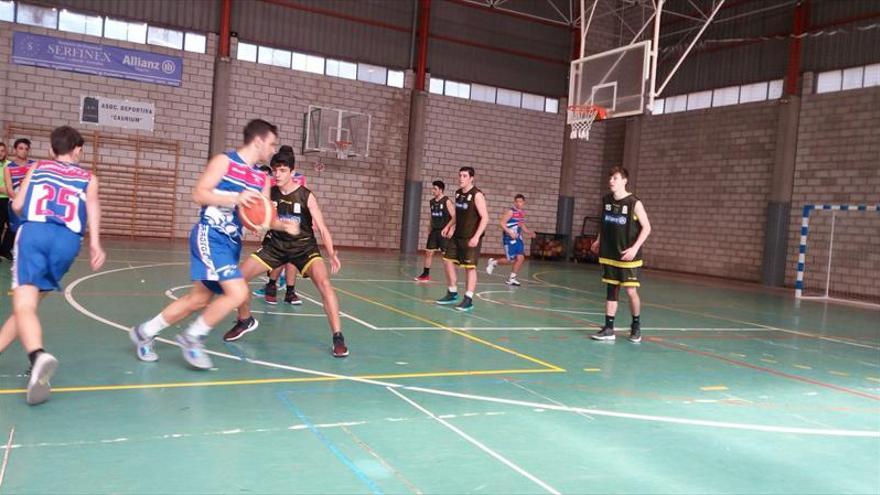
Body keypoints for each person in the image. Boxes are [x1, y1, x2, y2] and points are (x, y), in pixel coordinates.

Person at [129, 119, 277, 369]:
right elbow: (199, 194)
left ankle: (144, 332)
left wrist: (282, 225)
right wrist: (236, 197)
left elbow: (262, 216)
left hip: (231, 243)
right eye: (272, 144)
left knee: (197, 300)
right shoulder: (225, 162)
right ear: (259, 141)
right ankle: (192, 337)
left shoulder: (262, 178)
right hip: (210, 235)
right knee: (239, 292)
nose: (274, 150)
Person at [0, 126, 105, 405]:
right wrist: (95, 243)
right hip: (68, 243)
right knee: (29, 306)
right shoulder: (89, 177)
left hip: (36, 234)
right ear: (78, 150)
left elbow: (19, 206)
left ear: (50, 150)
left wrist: (17, 204)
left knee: (24, 305)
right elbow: (93, 208)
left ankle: (37, 355)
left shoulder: (38, 167)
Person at [222, 149, 349, 357]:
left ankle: (338, 337)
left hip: (304, 248)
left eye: (282, 170)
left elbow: (323, 228)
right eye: (275, 171)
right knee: (238, 277)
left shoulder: (306, 196)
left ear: (292, 171)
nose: (277, 174)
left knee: (325, 284)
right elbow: (259, 218)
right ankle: (245, 320)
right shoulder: (269, 193)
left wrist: (332, 253)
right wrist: (256, 223)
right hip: (275, 246)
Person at [590, 166, 651, 343]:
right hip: (610, 253)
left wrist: (634, 249)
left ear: (624, 181)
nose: (611, 181)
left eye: (615, 178)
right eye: (610, 178)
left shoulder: (634, 203)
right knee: (611, 290)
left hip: (628, 255)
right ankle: (609, 328)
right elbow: (605, 223)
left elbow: (647, 228)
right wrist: (599, 240)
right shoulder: (606, 200)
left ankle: (636, 325)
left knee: (631, 291)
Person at [435, 167, 489, 312]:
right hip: (457, 235)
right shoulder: (458, 193)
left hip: (470, 237)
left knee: (469, 268)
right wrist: (448, 226)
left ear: (471, 178)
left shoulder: (477, 195)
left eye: (464, 176)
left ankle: (468, 299)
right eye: (460, 175)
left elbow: (485, 218)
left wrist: (476, 236)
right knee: (447, 260)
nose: (461, 178)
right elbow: (457, 215)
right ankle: (452, 292)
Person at [486, 194, 535, 286]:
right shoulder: (510, 212)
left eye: (520, 201)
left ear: (523, 202)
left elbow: (521, 225)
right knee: (510, 260)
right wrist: (509, 232)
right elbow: (502, 223)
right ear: (514, 202)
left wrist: (529, 232)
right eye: (516, 201)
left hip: (518, 238)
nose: (518, 203)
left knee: (521, 258)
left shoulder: (522, 213)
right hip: (508, 238)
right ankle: (493, 262)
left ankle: (512, 279)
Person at [1, 138, 35, 260]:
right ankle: (15, 253)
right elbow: (9, 189)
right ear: (15, 150)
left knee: (31, 230)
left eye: (26, 149)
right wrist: (20, 200)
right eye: (20, 148)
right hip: (16, 203)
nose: (23, 151)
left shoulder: (34, 165)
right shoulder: (8, 168)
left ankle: (28, 254)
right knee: (16, 230)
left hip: (32, 203)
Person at [415, 180, 454, 282]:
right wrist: (429, 228)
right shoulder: (432, 202)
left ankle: (451, 276)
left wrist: (451, 229)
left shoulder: (447, 201)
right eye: (433, 188)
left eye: (435, 189)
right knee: (428, 253)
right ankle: (425, 274)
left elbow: (455, 216)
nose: (433, 191)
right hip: (434, 231)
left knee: (446, 256)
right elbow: (432, 217)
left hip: (444, 231)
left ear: (441, 190)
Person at [0, 142, 9, 260]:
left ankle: (4, 250)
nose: (0, 153)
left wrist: (6, 190)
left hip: (8, 199)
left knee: (12, 227)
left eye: (2, 150)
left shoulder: (9, 165)